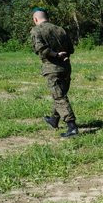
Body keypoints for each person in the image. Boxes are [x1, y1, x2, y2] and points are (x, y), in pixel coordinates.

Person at [30, 8, 78, 138]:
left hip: (52, 69)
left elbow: (41, 49)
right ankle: (54, 120)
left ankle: (72, 126)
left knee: (59, 97)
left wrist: (55, 55)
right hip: (66, 68)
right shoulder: (61, 29)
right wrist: (63, 55)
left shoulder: (36, 30)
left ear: (35, 19)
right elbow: (71, 49)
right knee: (60, 94)